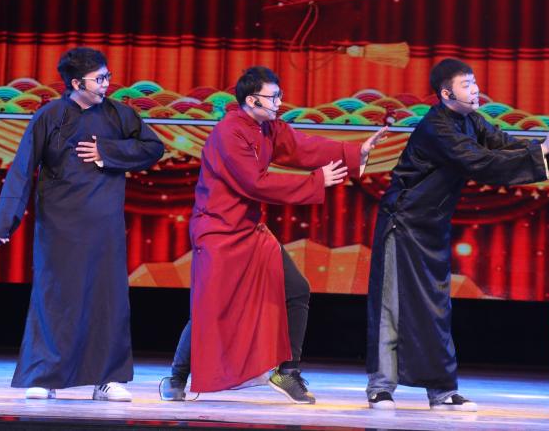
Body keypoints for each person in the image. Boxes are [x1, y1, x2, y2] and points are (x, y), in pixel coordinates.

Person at [159, 66, 386, 404]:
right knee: (211, 305)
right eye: (273, 97)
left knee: (297, 289)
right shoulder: (229, 133)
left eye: (279, 95)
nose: (279, 102)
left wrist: (354, 153)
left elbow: (302, 147)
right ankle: (178, 375)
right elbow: (255, 183)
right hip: (217, 230)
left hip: (249, 229)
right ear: (252, 100)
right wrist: (315, 181)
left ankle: (287, 371)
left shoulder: (268, 127)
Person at [365, 58, 549, 412]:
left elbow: (501, 145)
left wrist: (544, 153)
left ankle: (441, 390)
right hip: (403, 223)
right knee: (392, 305)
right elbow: (479, 162)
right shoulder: (436, 128)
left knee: (436, 309)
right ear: (446, 93)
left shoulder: (471, 119)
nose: (475, 89)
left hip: (432, 226)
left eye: (474, 82)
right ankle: (381, 386)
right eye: (466, 85)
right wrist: (539, 155)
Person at [0, 47, 165, 401]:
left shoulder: (119, 115)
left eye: (107, 77)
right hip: (59, 226)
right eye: (99, 79)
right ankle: (45, 376)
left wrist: (108, 152)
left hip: (104, 226)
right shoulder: (50, 116)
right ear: (75, 83)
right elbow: (23, 167)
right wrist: (5, 221)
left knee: (107, 300)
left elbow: (152, 147)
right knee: (56, 298)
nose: (106, 84)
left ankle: (107, 379)